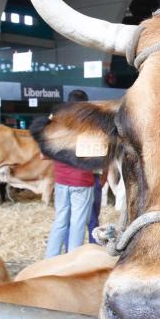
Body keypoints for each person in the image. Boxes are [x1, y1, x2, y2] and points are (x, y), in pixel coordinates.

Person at [44, 90, 95, 257]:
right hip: (81, 179)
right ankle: (72, 262)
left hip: (61, 179)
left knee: (60, 220)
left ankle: (49, 259)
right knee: (78, 223)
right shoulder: (90, 123)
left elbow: (44, 153)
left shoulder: (56, 122)